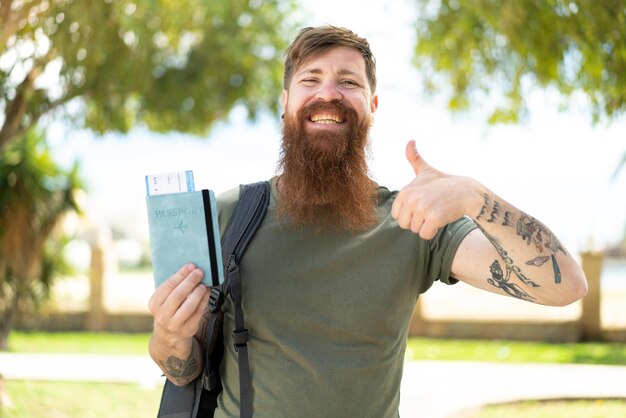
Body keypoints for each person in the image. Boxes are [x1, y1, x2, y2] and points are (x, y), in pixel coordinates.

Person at [148, 26, 588, 417]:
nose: (328, 94)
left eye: (348, 82)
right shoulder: (228, 215)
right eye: (310, 79)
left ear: (372, 105)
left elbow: (565, 285)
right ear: (285, 103)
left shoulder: (413, 222)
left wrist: (475, 196)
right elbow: (179, 364)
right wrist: (170, 334)